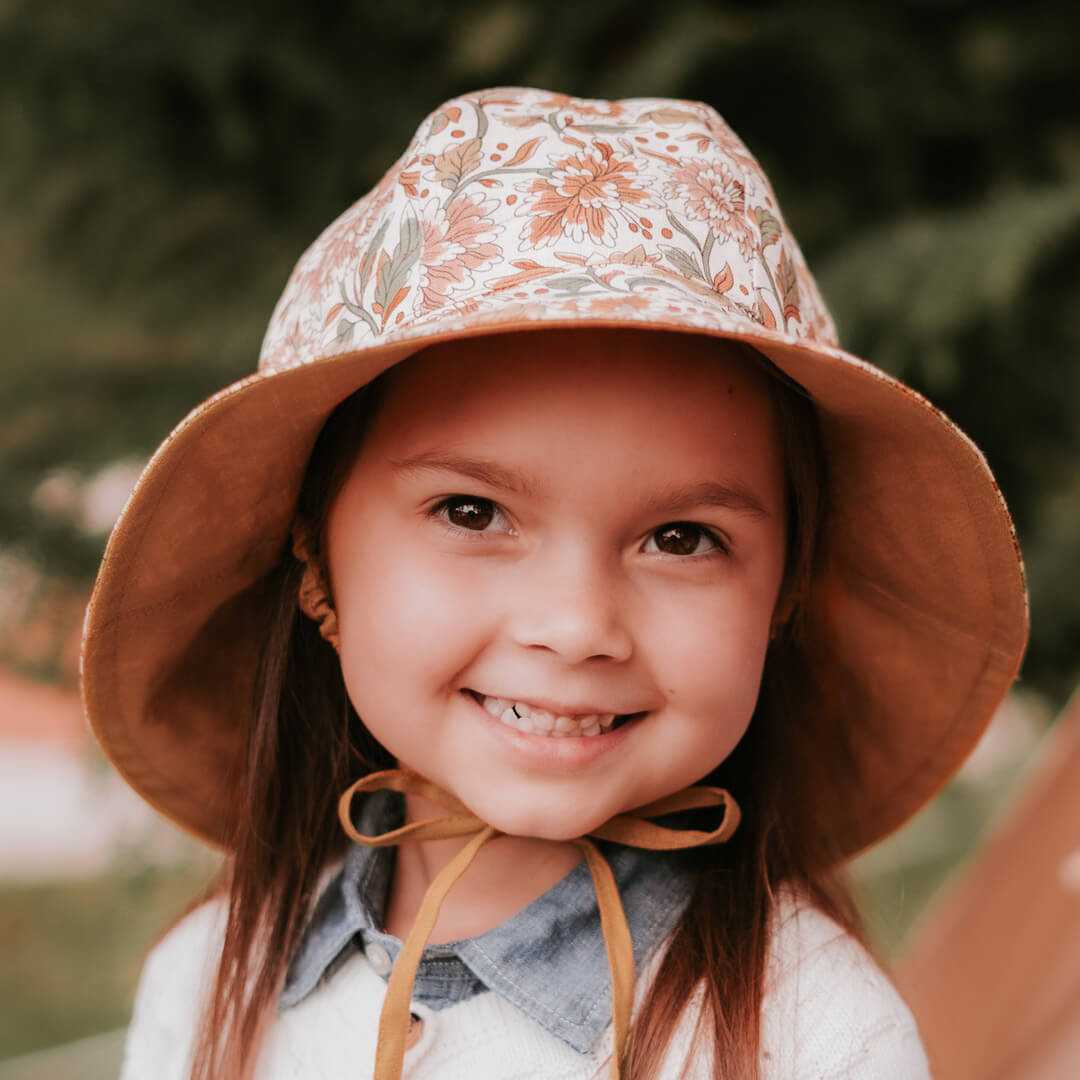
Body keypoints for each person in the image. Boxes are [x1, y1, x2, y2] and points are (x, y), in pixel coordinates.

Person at [82, 87, 1028, 1079]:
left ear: (784, 592)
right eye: (471, 513)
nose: (577, 627)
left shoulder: (819, 1036)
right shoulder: (205, 990)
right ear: (313, 553)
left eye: (680, 536)